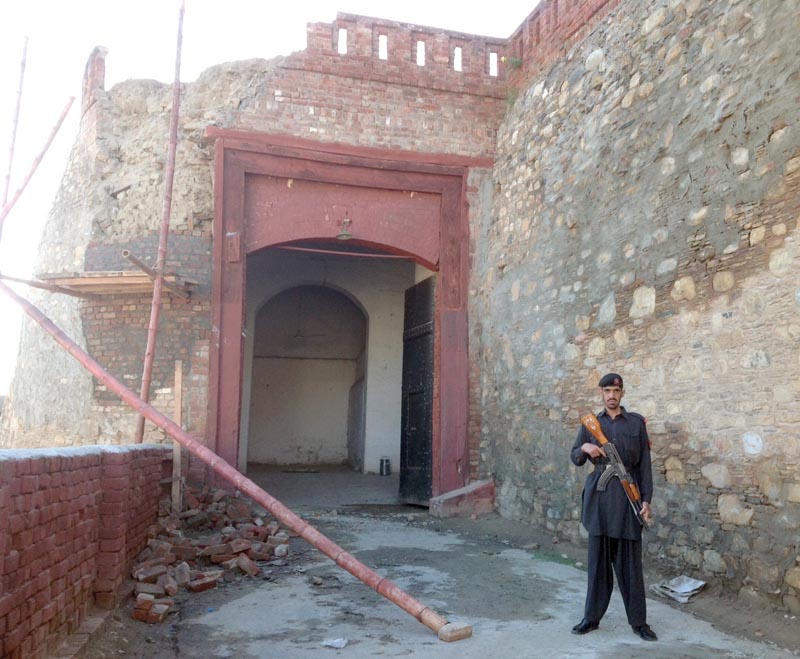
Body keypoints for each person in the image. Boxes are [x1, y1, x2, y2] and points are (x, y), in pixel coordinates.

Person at [570, 372, 657, 641]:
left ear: (622, 393)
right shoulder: (591, 424)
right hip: (599, 503)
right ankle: (591, 618)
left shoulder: (636, 423)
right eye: (606, 390)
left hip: (626, 503)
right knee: (597, 566)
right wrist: (585, 446)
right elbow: (575, 457)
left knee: (631, 567)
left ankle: (639, 623)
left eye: (615, 391)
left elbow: (644, 466)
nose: (611, 395)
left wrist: (645, 501)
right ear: (601, 393)